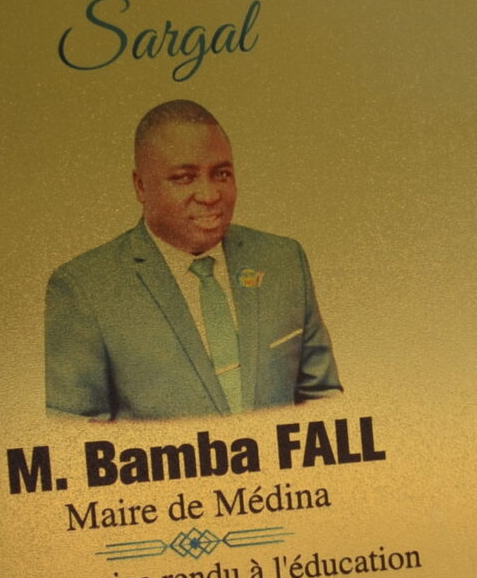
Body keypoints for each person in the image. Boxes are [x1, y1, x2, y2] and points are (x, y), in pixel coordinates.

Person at [45, 99, 340, 421]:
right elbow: (74, 435)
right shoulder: (84, 289)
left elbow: (323, 400)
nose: (210, 195)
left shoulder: (283, 259)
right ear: (141, 187)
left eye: (221, 174)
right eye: (184, 178)